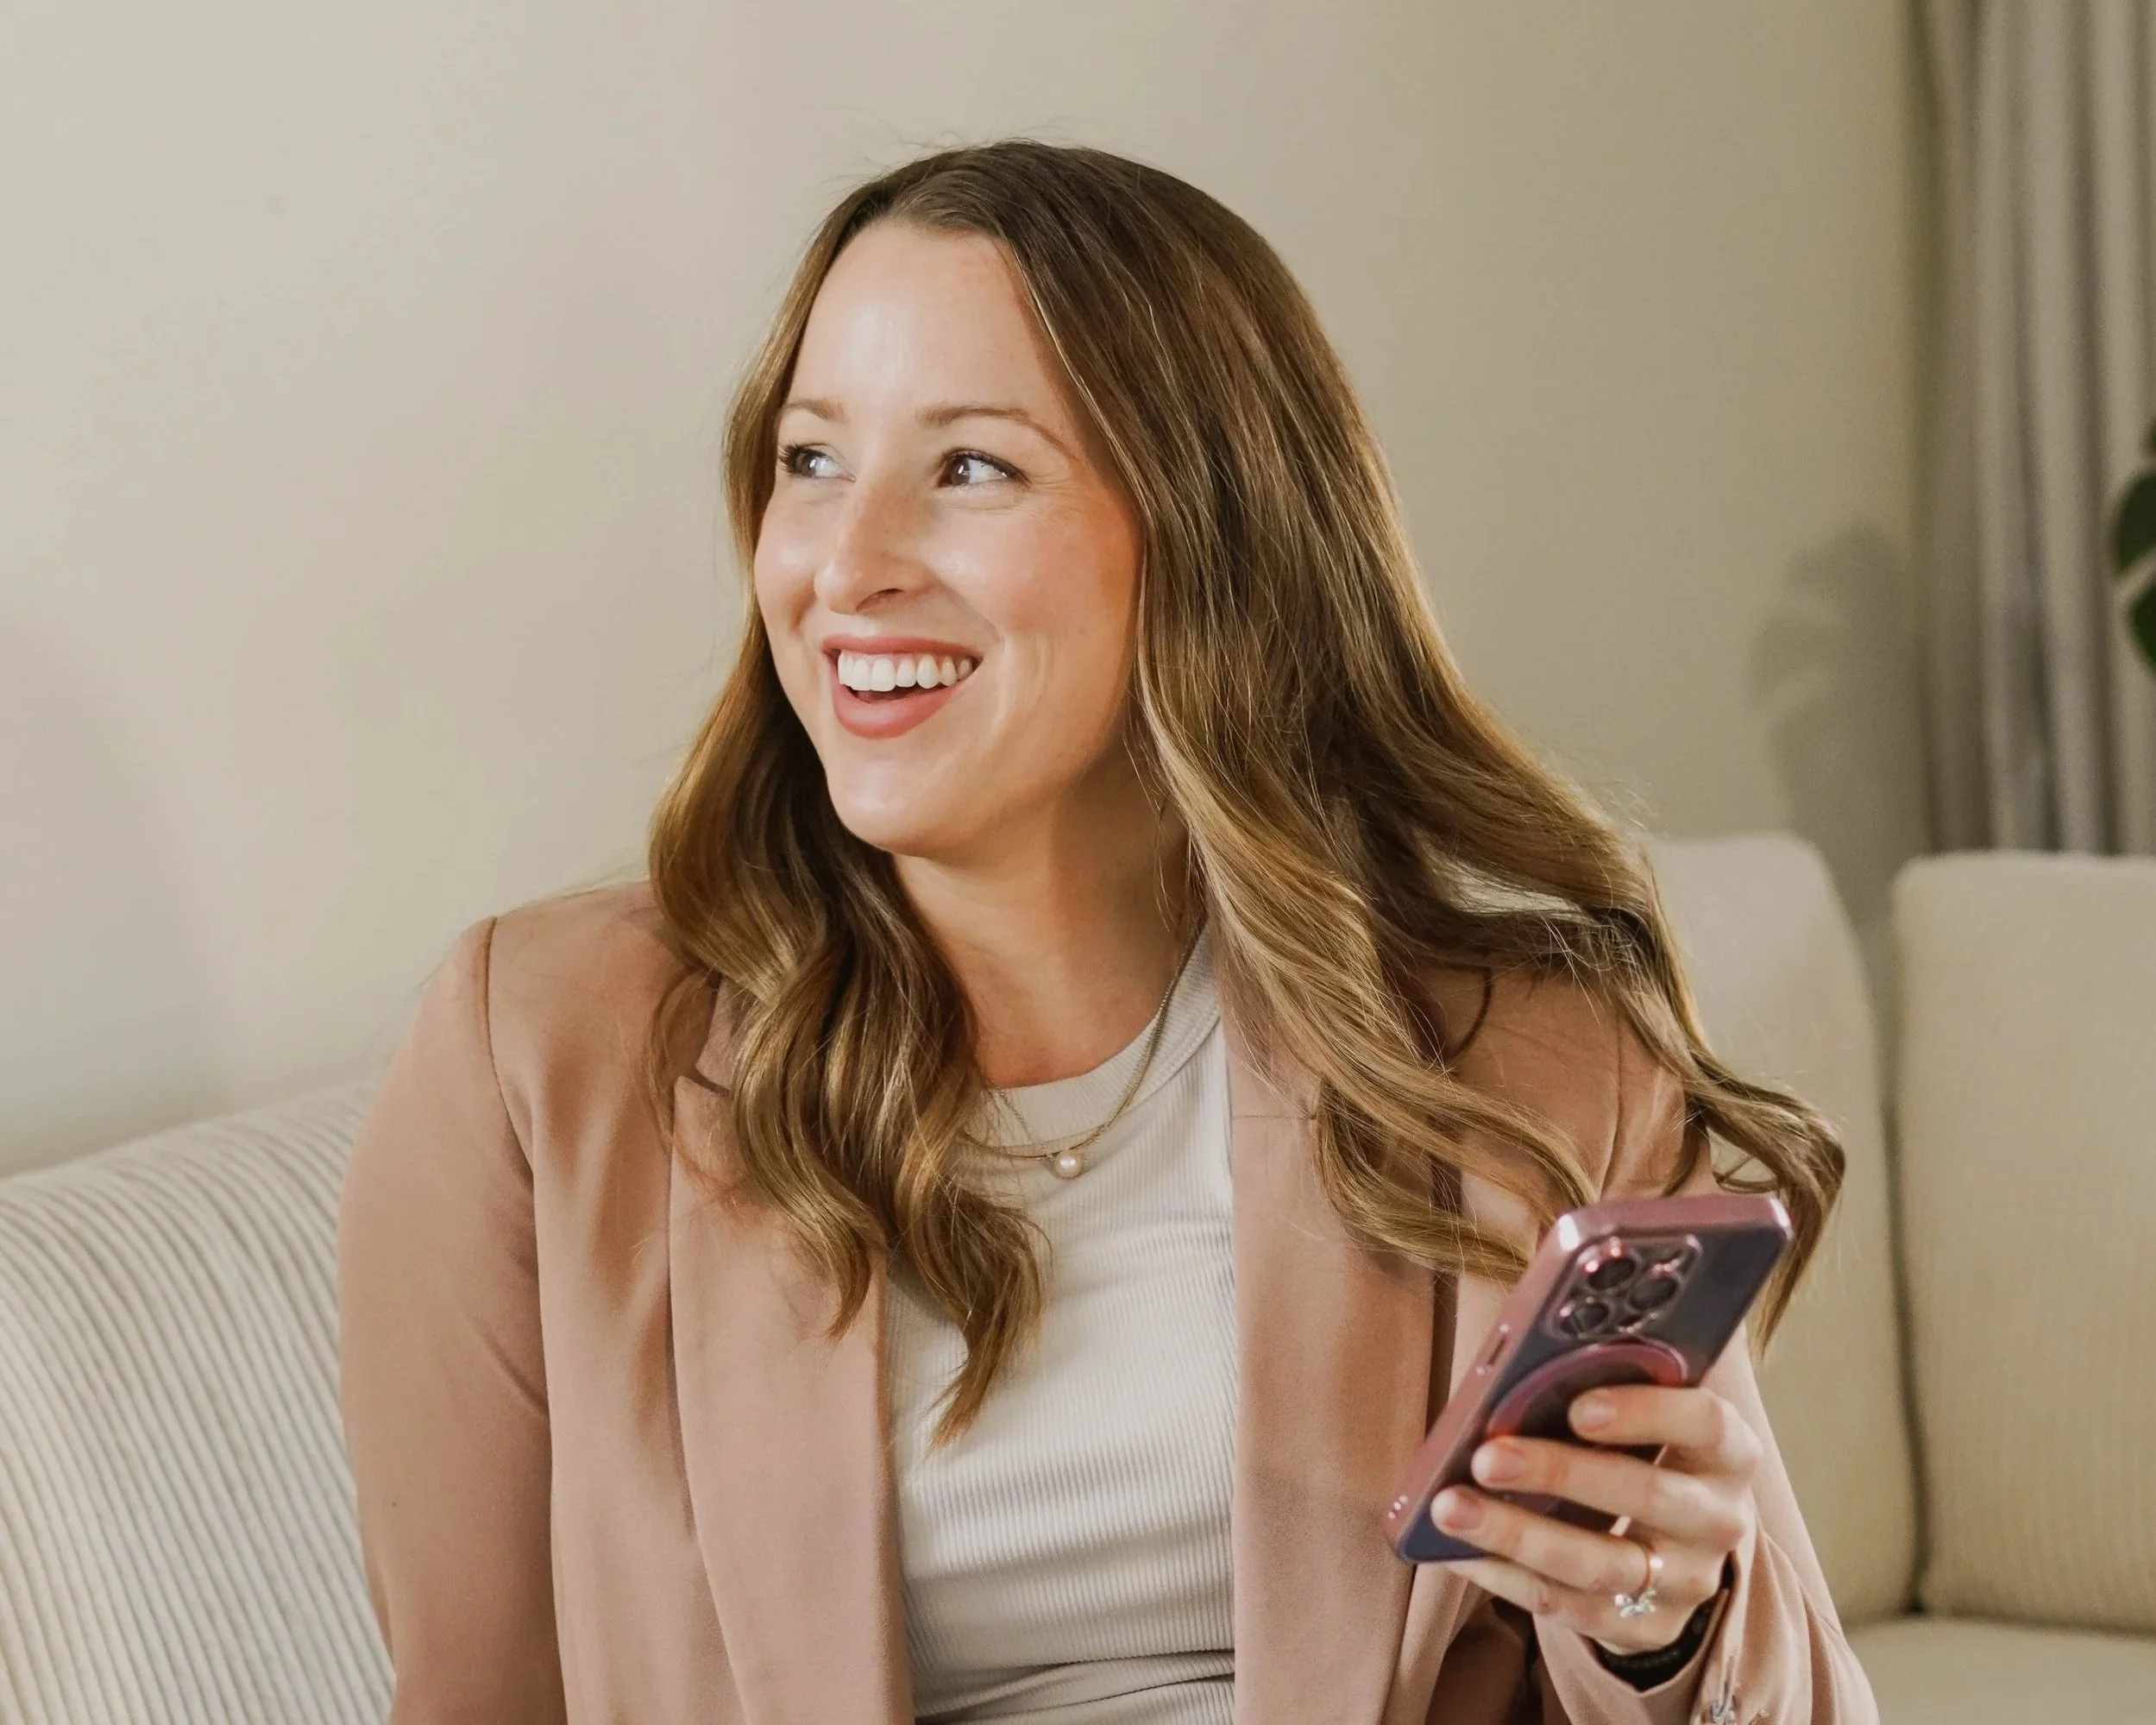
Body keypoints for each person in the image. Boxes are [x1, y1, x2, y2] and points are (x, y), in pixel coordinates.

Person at [337, 139, 1876, 1723]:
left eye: (969, 467)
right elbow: (476, 1697)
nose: (844, 566)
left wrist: (1657, 1621)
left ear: (1212, 537)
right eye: (810, 460)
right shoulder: (542, 1055)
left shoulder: (1525, 1078)